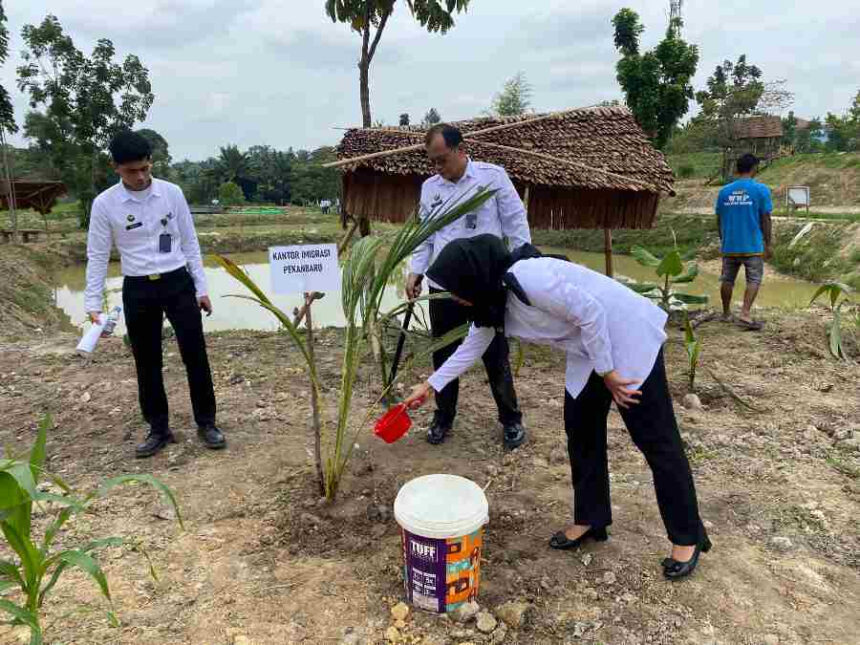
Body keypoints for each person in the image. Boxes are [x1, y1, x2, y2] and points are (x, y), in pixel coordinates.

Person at [404, 235, 711, 579]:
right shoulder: (490, 301)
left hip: (625, 338)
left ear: (472, 275)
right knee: (580, 429)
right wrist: (431, 386)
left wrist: (608, 371)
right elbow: (473, 345)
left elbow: (592, 312)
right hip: (590, 350)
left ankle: (687, 537)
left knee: (656, 440)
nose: (454, 298)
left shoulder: (529, 278)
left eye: (455, 288)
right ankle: (591, 519)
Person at [84, 130, 226, 458]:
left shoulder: (171, 194)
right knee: (147, 361)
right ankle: (158, 429)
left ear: (151, 163)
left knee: (195, 354)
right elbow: (98, 254)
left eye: (145, 168)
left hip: (178, 282)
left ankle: (206, 422)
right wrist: (93, 303)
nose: (140, 176)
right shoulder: (105, 204)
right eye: (132, 171)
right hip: (138, 289)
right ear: (116, 168)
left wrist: (201, 288)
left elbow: (190, 242)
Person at [405, 124, 530, 449]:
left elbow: (516, 223)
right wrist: (416, 271)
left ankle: (511, 418)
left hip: (485, 283)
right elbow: (425, 236)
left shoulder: (492, 177)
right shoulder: (430, 188)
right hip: (444, 285)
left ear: (462, 149)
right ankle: (444, 416)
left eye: (442, 160)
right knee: (444, 351)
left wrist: (523, 270)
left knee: (493, 351)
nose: (438, 168)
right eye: (432, 162)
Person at [716, 153, 773, 331]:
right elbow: (766, 218)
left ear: (737, 168)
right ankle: (745, 314)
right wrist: (768, 243)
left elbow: (719, 218)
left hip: (730, 245)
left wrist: (723, 239)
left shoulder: (724, 191)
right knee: (754, 279)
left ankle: (726, 314)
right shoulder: (761, 190)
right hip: (752, 246)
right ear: (754, 168)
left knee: (727, 279)